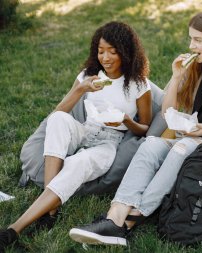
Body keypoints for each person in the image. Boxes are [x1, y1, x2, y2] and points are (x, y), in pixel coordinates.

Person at [68, 8, 202, 246]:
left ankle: (132, 219)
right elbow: (168, 112)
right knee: (150, 144)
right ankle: (114, 216)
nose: (191, 45)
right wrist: (177, 76)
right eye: (191, 38)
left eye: (198, 40)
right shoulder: (198, 67)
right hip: (189, 136)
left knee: (180, 149)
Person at [0, 21, 152, 251]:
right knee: (58, 120)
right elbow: (58, 112)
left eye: (113, 51)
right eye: (101, 51)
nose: (106, 58)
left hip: (109, 142)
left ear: (126, 52)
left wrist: (126, 121)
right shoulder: (88, 76)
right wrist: (80, 89)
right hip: (85, 129)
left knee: (78, 163)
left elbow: (146, 127)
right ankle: (49, 208)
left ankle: (15, 228)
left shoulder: (139, 85)